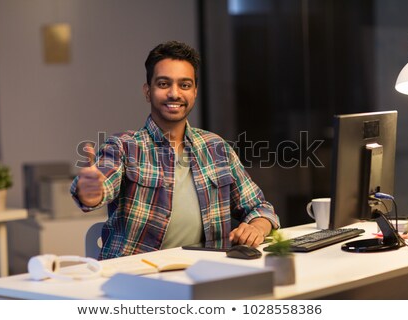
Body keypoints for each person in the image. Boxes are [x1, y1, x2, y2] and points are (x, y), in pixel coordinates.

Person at [71, 40, 279, 259]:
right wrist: (91, 192)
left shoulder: (216, 147)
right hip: (139, 276)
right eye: (163, 84)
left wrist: (257, 227)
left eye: (185, 85)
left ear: (195, 92)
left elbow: (260, 207)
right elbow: (99, 188)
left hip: (207, 271)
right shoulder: (123, 146)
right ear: (147, 91)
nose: (174, 93)